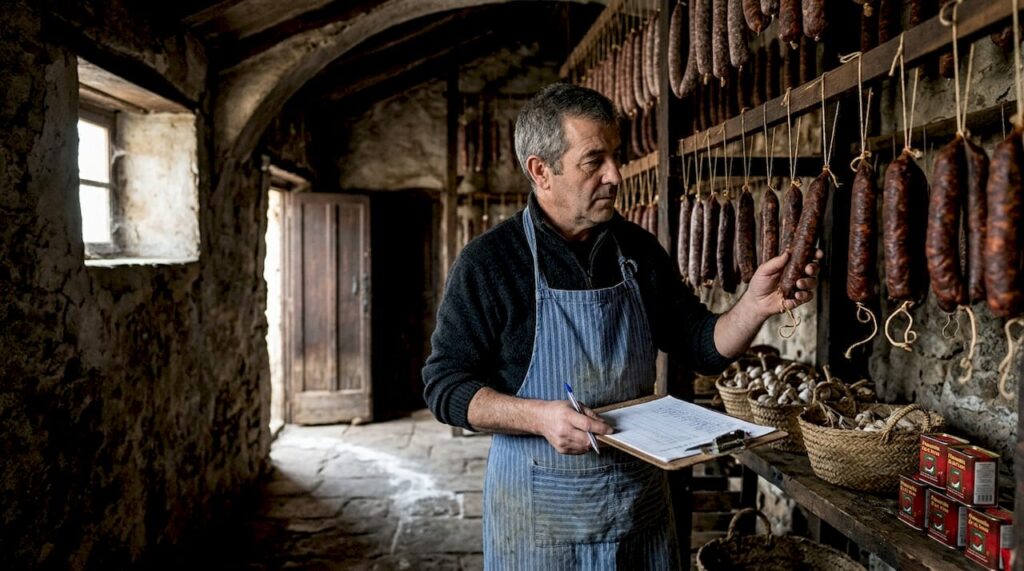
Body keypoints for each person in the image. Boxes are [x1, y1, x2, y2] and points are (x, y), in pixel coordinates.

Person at [422, 82, 820, 569]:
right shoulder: (489, 262)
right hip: (539, 519)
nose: (615, 175)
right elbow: (445, 386)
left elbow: (700, 344)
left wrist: (755, 306)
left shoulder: (638, 249)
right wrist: (539, 417)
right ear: (541, 171)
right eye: (594, 161)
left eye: (616, 156)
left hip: (637, 505)